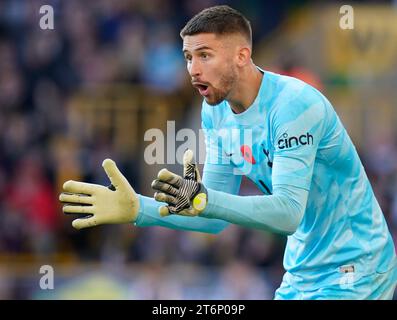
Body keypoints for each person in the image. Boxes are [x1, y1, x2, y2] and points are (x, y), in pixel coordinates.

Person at [59, 5, 397, 300]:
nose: (193, 69)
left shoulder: (294, 105)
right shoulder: (215, 112)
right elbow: (214, 217)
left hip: (357, 267)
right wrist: (139, 208)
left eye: (205, 55)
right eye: (189, 57)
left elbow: (287, 212)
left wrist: (204, 201)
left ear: (242, 56)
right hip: (302, 272)